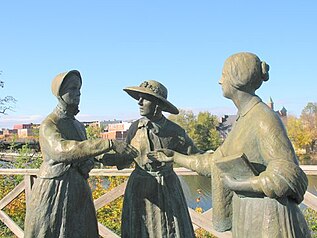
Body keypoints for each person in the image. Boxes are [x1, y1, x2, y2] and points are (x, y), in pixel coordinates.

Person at [149, 53, 310, 237]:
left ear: (237, 78)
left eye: (223, 75)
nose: (219, 81)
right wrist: (175, 157)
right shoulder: (243, 119)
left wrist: (241, 184)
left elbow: (287, 175)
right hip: (248, 214)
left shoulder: (263, 118)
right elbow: (215, 162)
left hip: (269, 220)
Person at [24, 70, 138, 238]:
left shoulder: (78, 125)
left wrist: (122, 158)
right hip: (55, 190)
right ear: (59, 93)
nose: (78, 93)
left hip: (78, 190)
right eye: (72, 88)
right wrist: (109, 143)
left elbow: (89, 154)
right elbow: (62, 151)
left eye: (79, 89)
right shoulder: (50, 123)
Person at [105, 80, 200, 237]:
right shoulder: (135, 128)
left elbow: (195, 156)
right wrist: (102, 156)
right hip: (139, 189)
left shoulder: (175, 131)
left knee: (170, 230)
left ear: (158, 104)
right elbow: (125, 158)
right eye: (139, 98)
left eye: (145, 98)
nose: (139, 102)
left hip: (167, 189)